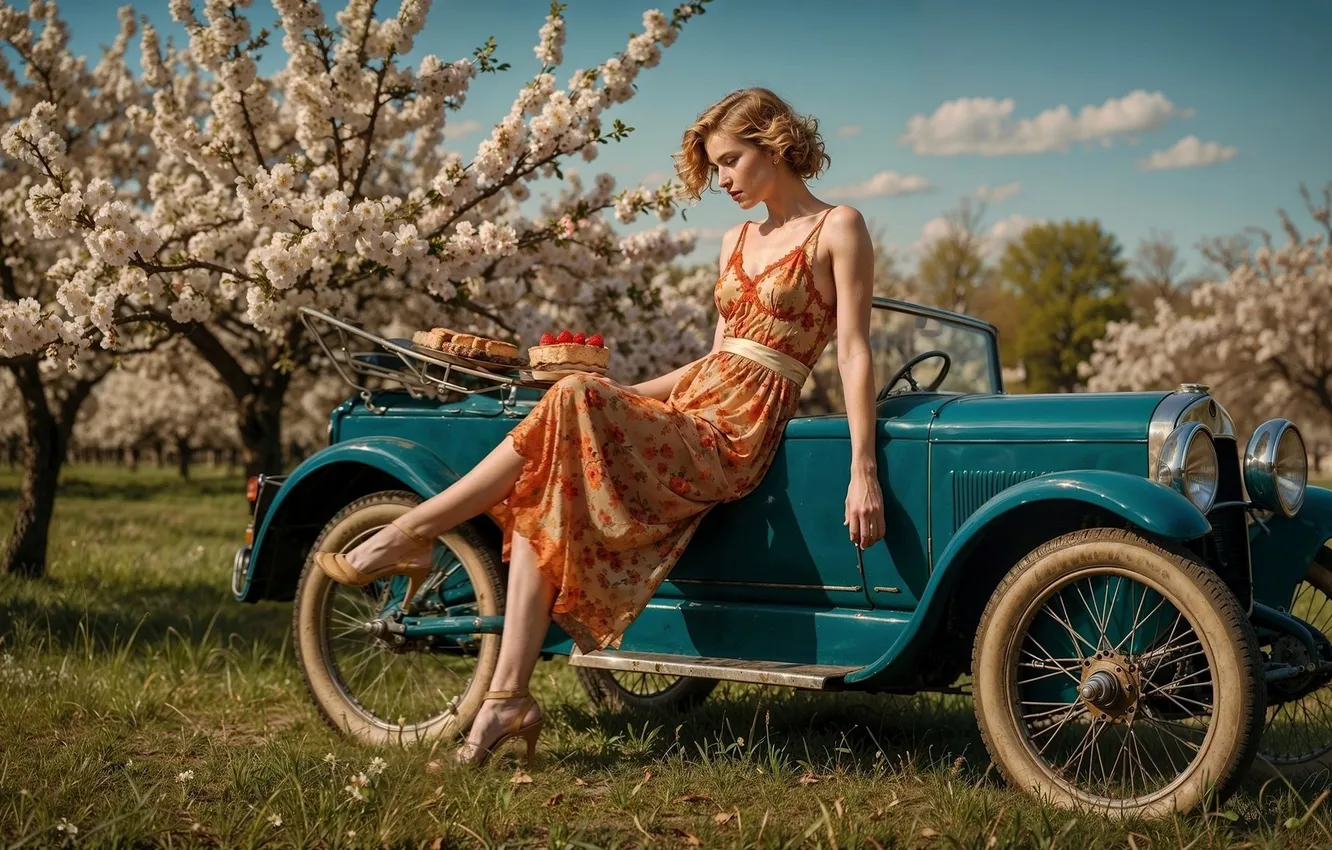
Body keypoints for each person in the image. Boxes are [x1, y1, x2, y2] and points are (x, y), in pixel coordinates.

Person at [314, 87, 887, 768]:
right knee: (554, 472)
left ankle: (412, 533)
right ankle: (506, 699)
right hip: (693, 409)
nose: (723, 182)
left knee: (572, 401)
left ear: (774, 142)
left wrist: (864, 469)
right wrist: (618, 396)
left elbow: (854, 350)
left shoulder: (839, 227)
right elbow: (711, 359)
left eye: (731, 162)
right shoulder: (735, 239)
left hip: (738, 433)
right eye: (716, 169)